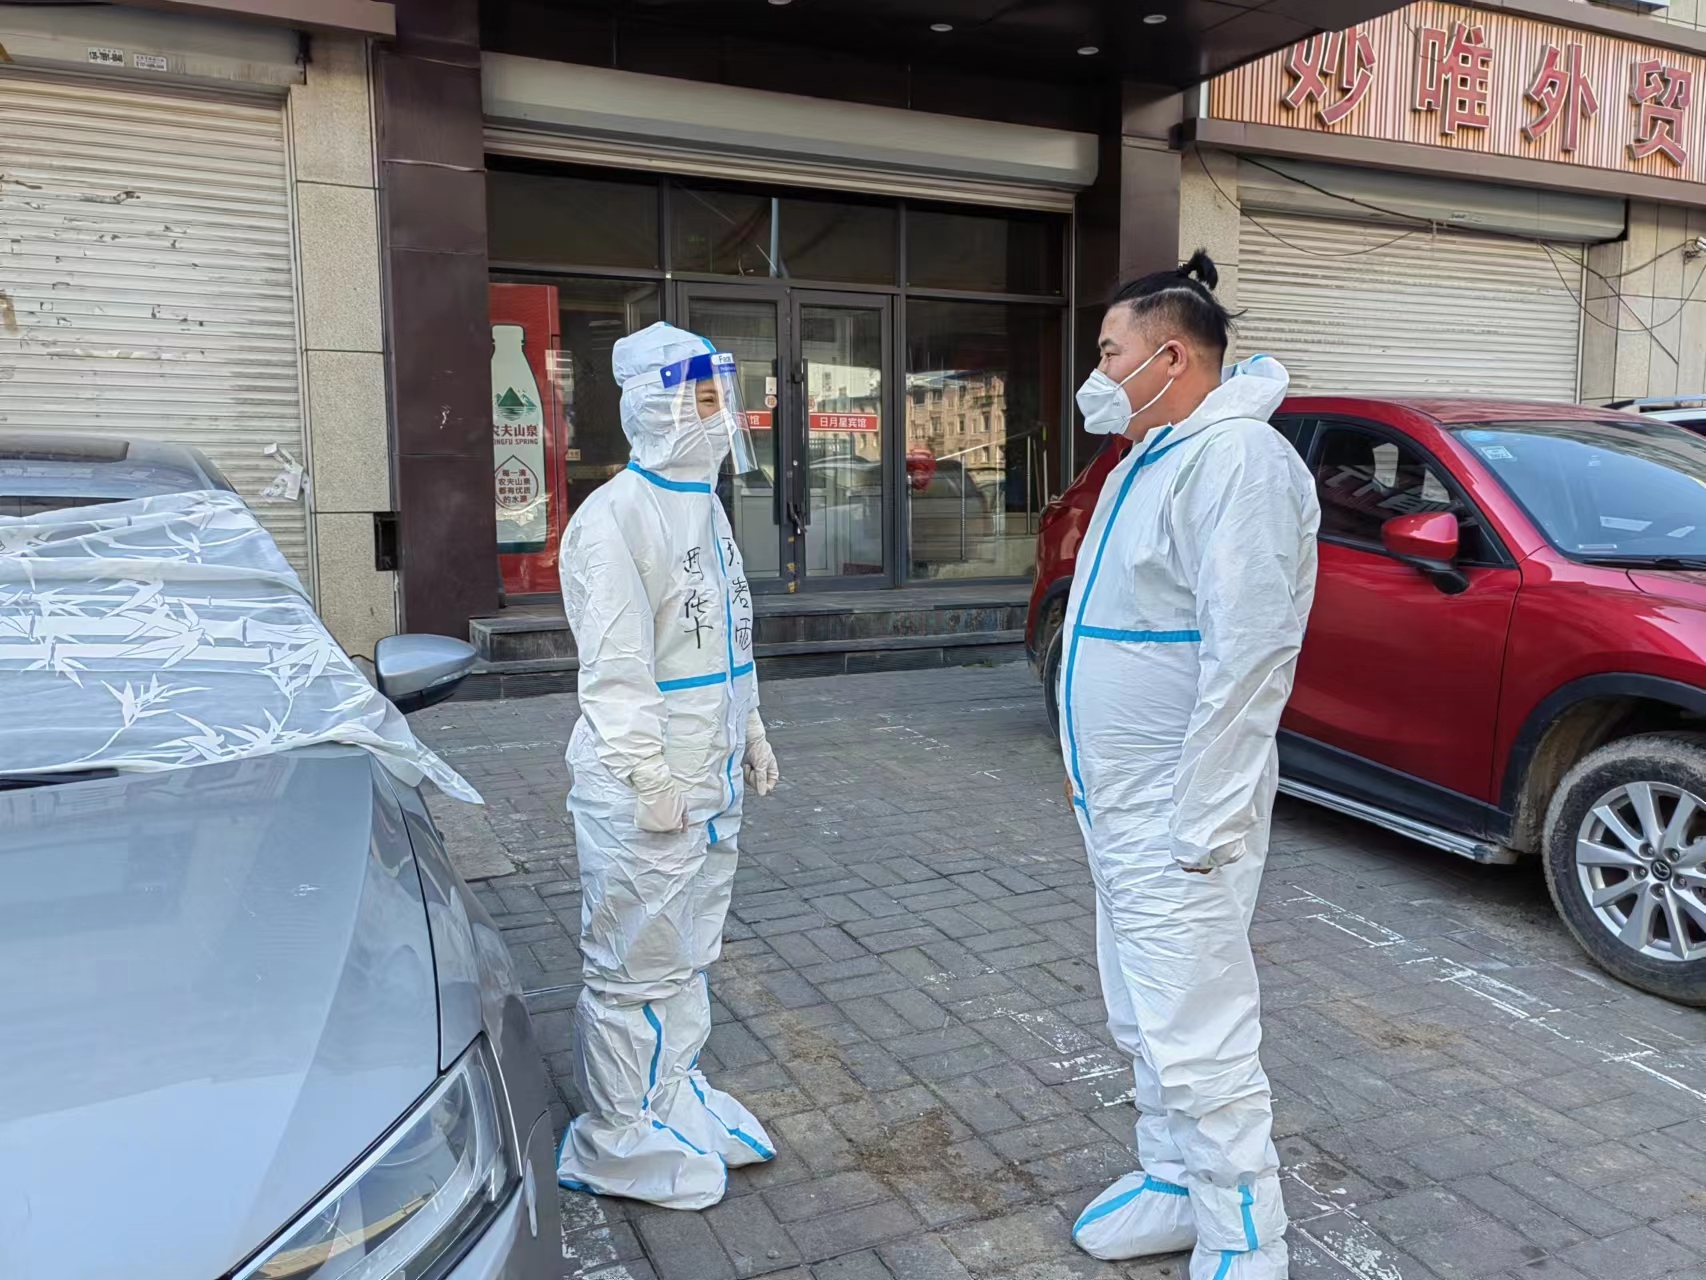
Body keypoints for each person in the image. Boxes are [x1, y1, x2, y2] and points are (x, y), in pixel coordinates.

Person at [1060, 252, 1319, 1279]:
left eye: (1107, 352)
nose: (1097, 373)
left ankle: (1246, 1234)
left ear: (1169, 356)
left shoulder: (1238, 462)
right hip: (1124, 810)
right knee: (1143, 1012)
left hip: (1180, 816)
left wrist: (1204, 818)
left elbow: (1249, 655)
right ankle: (1173, 1179)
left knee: (1197, 1028)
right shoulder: (1151, 456)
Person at [556, 322, 782, 1211]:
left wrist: (750, 729)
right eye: (702, 398)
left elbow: (728, 637)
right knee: (635, 963)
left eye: (723, 397)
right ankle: (618, 1132)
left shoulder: (706, 508)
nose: (721, 416)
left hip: (707, 779)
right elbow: (615, 670)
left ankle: (670, 1091)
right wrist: (649, 776)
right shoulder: (613, 519)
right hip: (646, 788)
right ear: (655, 405)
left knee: (688, 952)